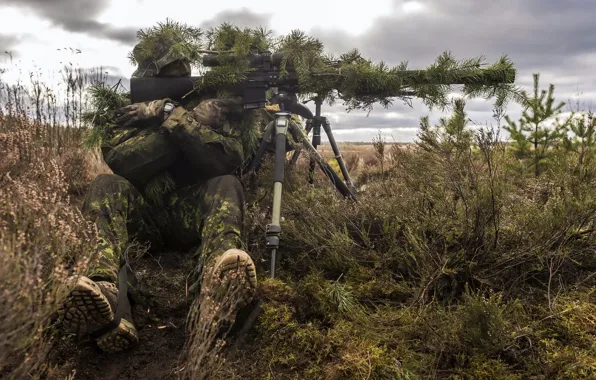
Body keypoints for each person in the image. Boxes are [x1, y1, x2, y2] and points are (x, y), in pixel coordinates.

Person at [58, 37, 266, 353]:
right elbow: (125, 162)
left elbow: (228, 158)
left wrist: (174, 113)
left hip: (191, 215)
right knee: (104, 186)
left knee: (227, 183)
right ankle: (106, 294)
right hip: (144, 216)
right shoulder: (127, 111)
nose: (175, 87)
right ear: (146, 77)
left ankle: (219, 286)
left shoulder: (207, 107)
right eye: (166, 79)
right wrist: (170, 117)